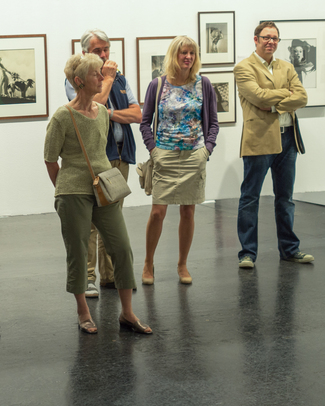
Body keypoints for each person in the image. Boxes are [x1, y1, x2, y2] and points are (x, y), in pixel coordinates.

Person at [44, 54, 151, 335]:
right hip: (73, 192)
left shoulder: (103, 113)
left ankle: (127, 312)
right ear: (79, 81)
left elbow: (99, 150)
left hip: (104, 186)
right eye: (96, 74)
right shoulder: (62, 117)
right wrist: (64, 190)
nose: (102, 78)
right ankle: (83, 311)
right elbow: (50, 159)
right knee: (78, 251)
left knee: (122, 248)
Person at [65, 29, 140, 297]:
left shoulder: (120, 78)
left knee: (113, 219)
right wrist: (106, 79)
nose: (104, 55)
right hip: (97, 158)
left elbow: (137, 114)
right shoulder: (77, 80)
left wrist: (111, 113)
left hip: (120, 155)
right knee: (91, 221)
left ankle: (110, 276)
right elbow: (93, 108)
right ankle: (88, 278)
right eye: (98, 51)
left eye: (106, 49)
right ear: (85, 52)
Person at [139, 36, 219, 286]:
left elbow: (213, 123)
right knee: (157, 212)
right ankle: (148, 263)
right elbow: (145, 122)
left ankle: (182, 264)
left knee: (188, 211)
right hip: (165, 156)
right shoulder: (158, 84)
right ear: (174, 55)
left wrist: (206, 150)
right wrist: (154, 151)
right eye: (183, 52)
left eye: (192, 53)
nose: (188, 57)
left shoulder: (203, 84)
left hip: (194, 156)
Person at [235, 22, 311, 268]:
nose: (271, 42)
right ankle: (247, 253)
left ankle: (290, 249)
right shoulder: (244, 67)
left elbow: (302, 97)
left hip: (288, 139)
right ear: (256, 39)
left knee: (285, 198)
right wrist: (287, 94)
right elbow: (258, 97)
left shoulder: (287, 66)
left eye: (275, 38)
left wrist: (275, 104)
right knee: (250, 197)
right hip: (260, 139)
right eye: (266, 37)